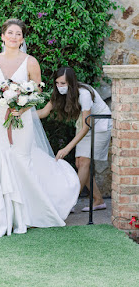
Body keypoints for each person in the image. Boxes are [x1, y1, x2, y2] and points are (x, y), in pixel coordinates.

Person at [0, 19, 80, 238]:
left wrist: (22, 109)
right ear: (3, 36)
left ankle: (25, 216)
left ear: (22, 39)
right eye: (10, 33)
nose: (14, 37)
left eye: (18, 34)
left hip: (22, 119)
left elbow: (39, 93)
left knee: (22, 161)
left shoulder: (30, 62)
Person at [37, 67, 112, 212]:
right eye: (57, 83)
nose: (60, 87)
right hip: (85, 124)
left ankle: (68, 204)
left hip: (100, 124)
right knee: (80, 162)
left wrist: (67, 148)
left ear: (71, 83)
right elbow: (45, 112)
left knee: (84, 161)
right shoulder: (58, 93)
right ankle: (98, 200)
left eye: (63, 84)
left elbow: (85, 127)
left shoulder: (84, 94)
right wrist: (22, 114)